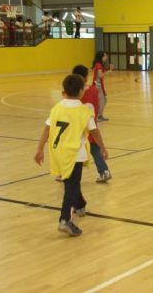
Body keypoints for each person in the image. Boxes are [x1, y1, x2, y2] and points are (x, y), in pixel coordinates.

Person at [34, 74, 109, 237]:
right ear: (81, 91)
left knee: (72, 182)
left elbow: (47, 128)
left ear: (65, 91)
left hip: (58, 153)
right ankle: (65, 220)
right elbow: (94, 132)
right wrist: (103, 148)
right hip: (74, 153)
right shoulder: (83, 111)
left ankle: (80, 205)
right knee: (71, 186)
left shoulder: (57, 108)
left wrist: (39, 149)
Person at [72, 65, 113, 183]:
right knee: (94, 148)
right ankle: (104, 171)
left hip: (77, 126)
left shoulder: (74, 92)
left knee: (71, 149)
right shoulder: (93, 90)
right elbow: (97, 105)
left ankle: (63, 172)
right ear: (86, 77)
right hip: (91, 123)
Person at [92, 51, 114, 122]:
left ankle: (99, 115)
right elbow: (101, 75)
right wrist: (109, 72)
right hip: (97, 85)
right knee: (102, 101)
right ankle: (97, 116)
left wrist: (109, 70)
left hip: (99, 85)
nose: (106, 57)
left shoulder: (100, 64)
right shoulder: (98, 65)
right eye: (105, 56)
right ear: (101, 57)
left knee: (104, 100)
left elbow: (103, 72)